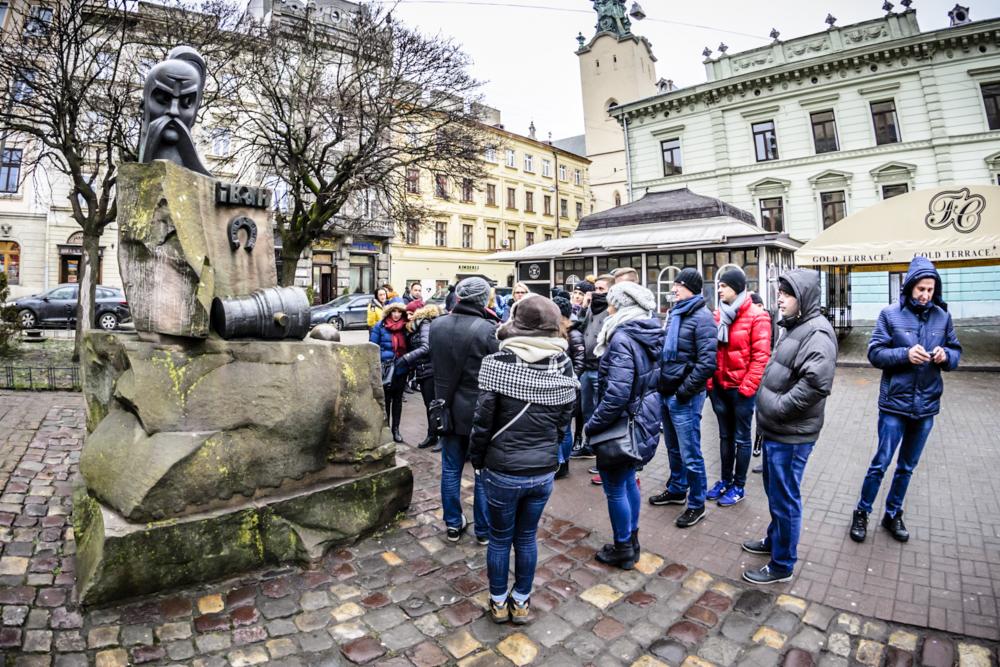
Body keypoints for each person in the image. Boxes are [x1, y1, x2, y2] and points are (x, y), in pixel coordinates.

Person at [469, 295, 577, 624]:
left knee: (500, 538)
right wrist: (550, 451)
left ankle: (499, 602)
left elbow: (482, 423)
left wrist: (478, 460)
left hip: (502, 468)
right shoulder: (564, 363)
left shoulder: (498, 362)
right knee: (527, 537)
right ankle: (521, 601)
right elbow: (564, 422)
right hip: (542, 468)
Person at [849, 257, 961, 544]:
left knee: (907, 467)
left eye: (930, 290)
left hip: (926, 406)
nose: (925, 295)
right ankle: (862, 512)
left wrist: (945, 356)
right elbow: (875, 353)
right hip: (894, 406)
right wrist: (905, 354)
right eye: (921, 289)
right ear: (910, 286)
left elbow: (955, 353)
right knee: (881, 463)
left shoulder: (942, 316)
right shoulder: (890, 314)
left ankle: (892, 514)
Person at [742, 269, 837, 584]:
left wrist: (777, 408)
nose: (779, 299)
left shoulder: (817, 333)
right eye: (779, 293)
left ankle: (782, 565)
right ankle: (775, 541)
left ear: (803, 298)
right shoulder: (795, 326)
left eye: (786, 294)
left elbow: (816, 384)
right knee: (776, 494)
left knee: (785, 499)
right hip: (777, 430)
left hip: (791, 434)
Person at [585, 282, 662, 569]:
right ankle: (631, 540)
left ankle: (623, 548)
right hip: (640, 419)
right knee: (628, 480)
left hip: (621, 424)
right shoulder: (647, 330)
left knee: (616, 486)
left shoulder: (621, 338)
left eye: (612, 303)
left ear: (621, 305)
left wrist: (593, 425)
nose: (609, 308)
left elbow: (616, 394)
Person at [430, 277, 500, 543]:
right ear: (483, 299)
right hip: (479, 411)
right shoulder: (488, 330)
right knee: (481, 471)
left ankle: (452, 523)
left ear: (459, 297)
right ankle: (483, 530)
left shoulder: (437, 325)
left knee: (450, 469)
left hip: (446, 407)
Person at [648, 268, 717, 529]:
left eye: (679, 284)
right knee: (674, 448)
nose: (674, 288)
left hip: (684, 397)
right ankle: (677, 489)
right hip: (668, 392)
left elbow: (707, 363)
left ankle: (697, 504)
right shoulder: (675, 314)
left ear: (691, 288)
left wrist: (683, 392)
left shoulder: (703, 318)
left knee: (691, 453)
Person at [706, 267, 772, 507]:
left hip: (741, 390)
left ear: (736, 287)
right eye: (719, 285)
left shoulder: (757, 316)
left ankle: (738, 486)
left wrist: (747, 388)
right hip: (719, 388)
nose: (719, 290)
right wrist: (711, 384)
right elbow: (710, 351)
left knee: (742, 439)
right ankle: (725, 481)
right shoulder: (717, 315)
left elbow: (760, 357)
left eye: (724, 285)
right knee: (725, 436)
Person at [572, 275, 613, 460]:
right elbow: (578, 327)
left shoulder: (611, 309)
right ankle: (589, 445)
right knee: (586, 409)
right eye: (595, 288)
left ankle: (601, 449)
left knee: (600, 410)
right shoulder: (590, 307)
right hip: (586, 367)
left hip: (600, 367)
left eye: (601, 289)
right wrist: (584, 307)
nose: (596, 292)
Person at [401, 303, 443, 450]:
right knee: (429, 405)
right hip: (424, 370)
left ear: (418, 313)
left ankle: (440, 436)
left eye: (410, 313)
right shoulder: (416, 327)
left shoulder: (424, 324)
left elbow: (426, 347)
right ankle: (432, 434)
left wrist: (407, 358)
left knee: (435, 405)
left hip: (431, 370)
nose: (407, 316)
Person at [552, 296, 585, 479]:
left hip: (569, 388)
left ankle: (563, 463)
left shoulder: (574, 334)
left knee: (564, 429)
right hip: (561, 387)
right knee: (563, 427)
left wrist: (569, 380)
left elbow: (580, 362)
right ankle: (562, 462)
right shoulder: (559, 332)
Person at [370, 303, 409, 443]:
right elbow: (372, 347)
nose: (396, 314)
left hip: (401, 368)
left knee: (397, 400)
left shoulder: (406, 327)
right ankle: (385, 428)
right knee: (385, 400)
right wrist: (382, 361)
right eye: (394, 311)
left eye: (399, 312)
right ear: (389, 312)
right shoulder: (380, 326)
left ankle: (396, 429)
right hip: (385, 369)